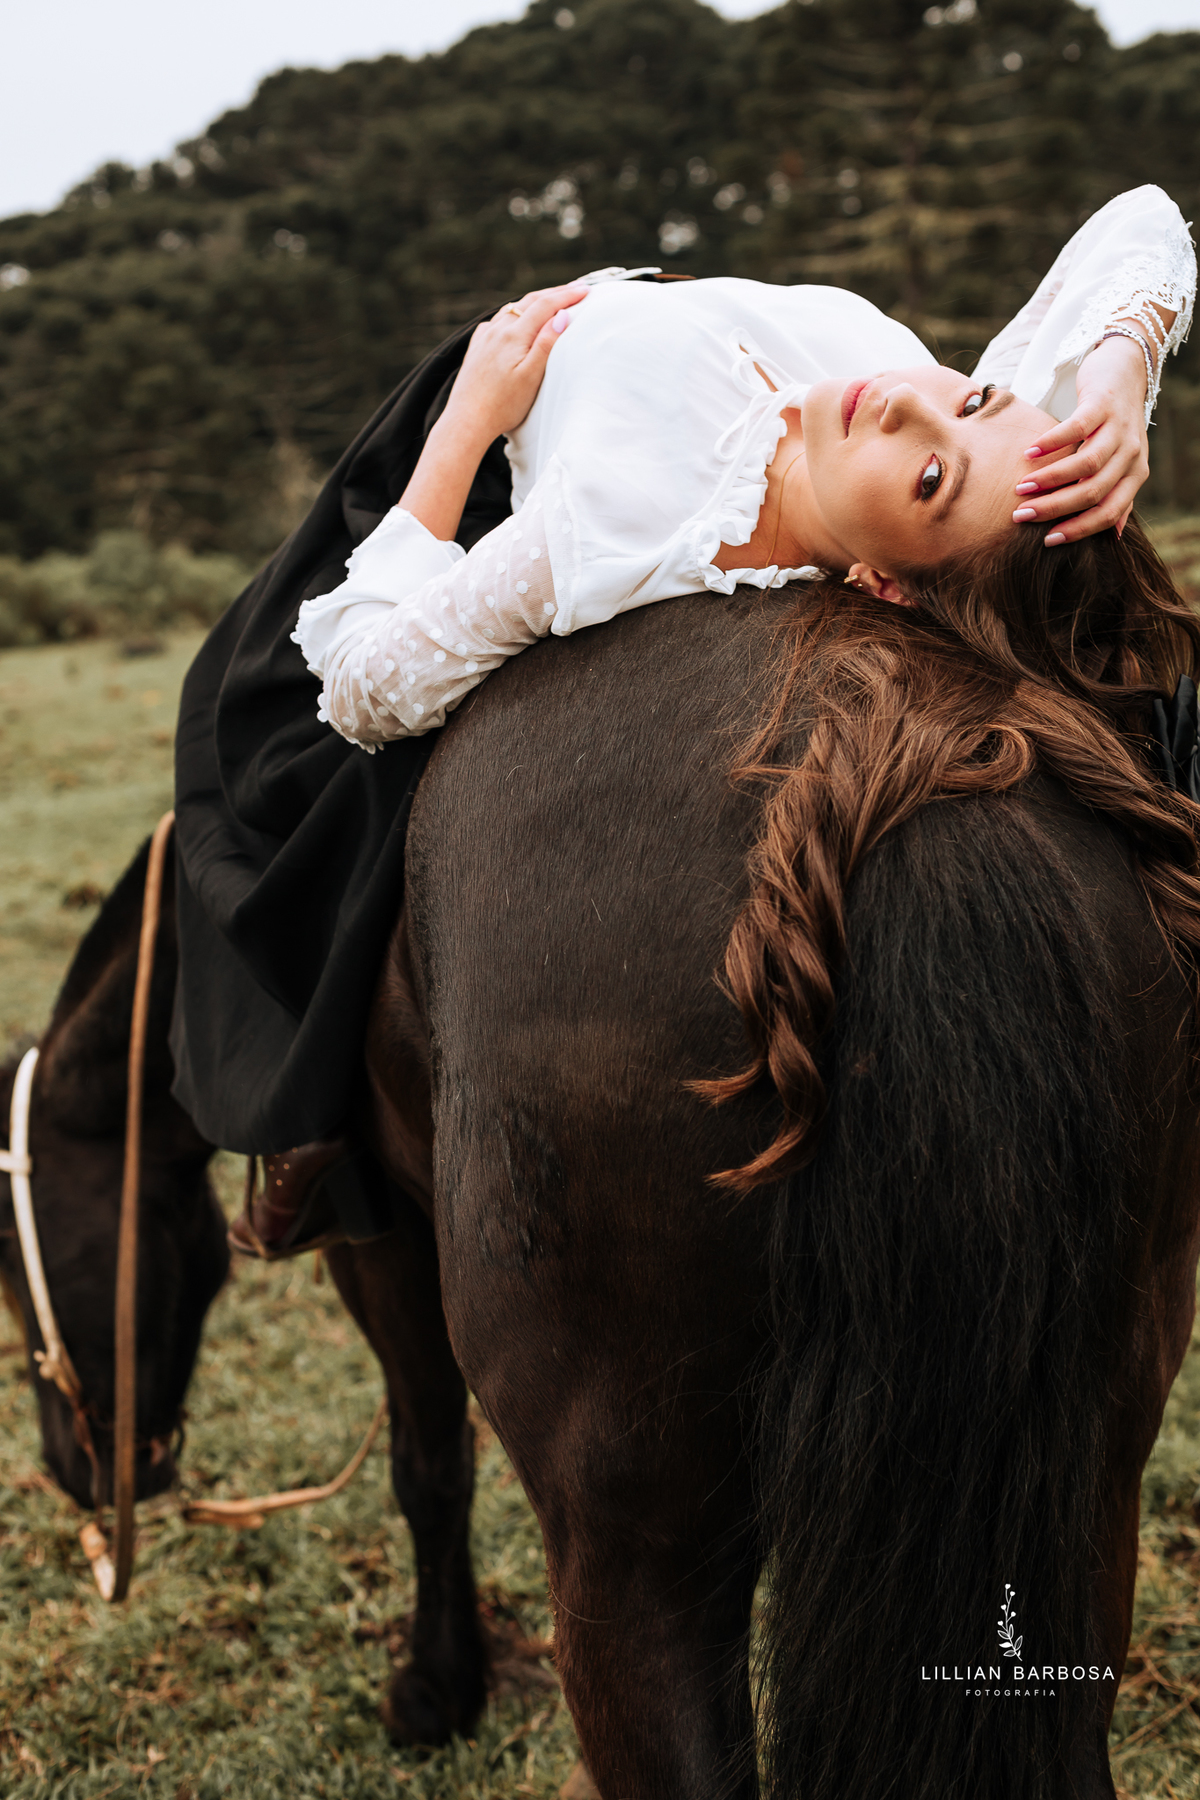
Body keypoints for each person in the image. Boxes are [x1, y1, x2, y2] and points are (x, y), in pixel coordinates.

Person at [293, 185, 1194, 753]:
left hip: (469, 407)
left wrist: (467, 415)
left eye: (929, 480)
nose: (905, 403)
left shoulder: (618, 525)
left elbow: (363, 687)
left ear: (887, 587)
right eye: (975, 401)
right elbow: (1144, 219)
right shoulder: (902, 381)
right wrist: (1122, 368)